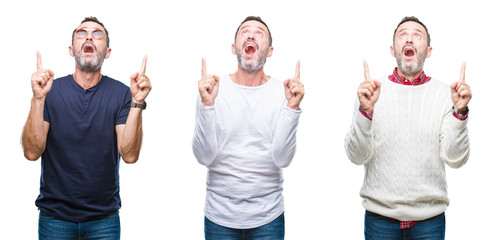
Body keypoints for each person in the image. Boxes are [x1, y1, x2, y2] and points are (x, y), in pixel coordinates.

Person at [22, 16, 151, 240]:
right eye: (82, 33)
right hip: (55, 219)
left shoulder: (121, 93)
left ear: (107, 52)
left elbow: (129, 155)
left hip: (104, 220)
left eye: (97, 34)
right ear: (71, 50)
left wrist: (137, 102)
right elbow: (32, 152)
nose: (89, 36)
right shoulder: (49, 91)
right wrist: (38, 99)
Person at [344, 16, 471, 240]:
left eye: (417, 35)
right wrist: (366, 112)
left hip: (429, 223)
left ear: (428, 50)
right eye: (403, 35)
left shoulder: (445, 94)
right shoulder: (370, 93)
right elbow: (356, 156)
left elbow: (455, 158)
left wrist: (460, 113)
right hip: (380, 221)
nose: (409, 39)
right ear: (393, 49)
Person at [192, 16, 304, 239]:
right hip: (219, 217)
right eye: (245, 31)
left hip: (268, 218)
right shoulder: (212, 89)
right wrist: (207, 105)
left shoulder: (283, 92)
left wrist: (292, 108)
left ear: (269, 51)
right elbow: (203, 156)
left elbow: (283, 159)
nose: (251, 35)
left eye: (259, 32)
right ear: (234, 48)